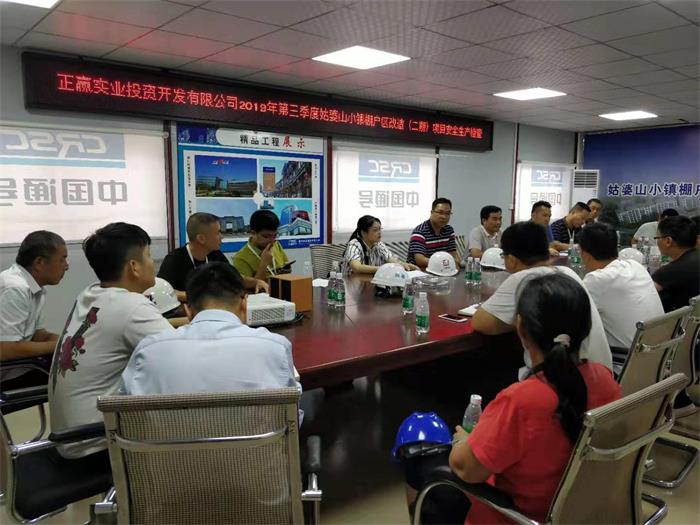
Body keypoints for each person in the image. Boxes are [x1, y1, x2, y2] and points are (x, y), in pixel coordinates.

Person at [449, 273, 621, 524]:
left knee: (423, 464)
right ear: (586, 328)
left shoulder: (521, 400)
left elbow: (466, 469)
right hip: (586, 513)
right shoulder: (605, 379)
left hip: (518, 517)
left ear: (520, 327)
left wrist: (463, 442)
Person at [49, 222, 174, 459]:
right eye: (148, 255)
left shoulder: (90, 294)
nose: (153, 263)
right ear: (134, 267)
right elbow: (183, 354)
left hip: (68, 438)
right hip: (97, 445)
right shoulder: (132, 306)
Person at [120, 262, 300, 396]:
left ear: (188, 311)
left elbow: (125, 415)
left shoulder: (148, 351)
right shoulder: (275, 348)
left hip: (171, 438)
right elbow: (292, 416)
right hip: (259, 438)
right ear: (244, 304)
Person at [472, 221, 612, 380]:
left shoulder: (524, 278)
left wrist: (522, 319)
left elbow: (480, 323)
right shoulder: (568, 273)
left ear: (511, 259)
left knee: (479, 378)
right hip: (600, 376)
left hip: (558, 383)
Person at [579, 223, 663, 354]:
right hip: (659, 355)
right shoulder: (636, 266)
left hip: (625, 360)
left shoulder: (596, 280)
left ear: (585, 254)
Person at [158, 212, 267, 301]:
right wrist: (196, 297)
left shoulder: (215, 254)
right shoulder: (175, 259)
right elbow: (162, 291)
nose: (222, 237)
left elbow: (234, 277)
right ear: (201, 239)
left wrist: (256, 282)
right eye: (218, 233)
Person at [1, 231, 68, 361]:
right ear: (39, 262)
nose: (66, 266)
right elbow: (5, 349)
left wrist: (67, 341)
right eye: (62, 259)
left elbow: (36, 335)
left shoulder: (36, 287)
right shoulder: (15, 289)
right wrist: (60, 346)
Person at [652, 216, 699, 312]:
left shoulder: (669, 271)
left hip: (682, 319)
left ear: (668, 241)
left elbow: (643, 293)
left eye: (657, 238)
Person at [344, 215, 417, 274]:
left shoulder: (379, 244)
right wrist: (382, 269)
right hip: (352, 283)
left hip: (370, 282)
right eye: (375, 230)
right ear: (363, 233)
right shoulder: (354, 245)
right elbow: (356, 267)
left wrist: (403, 265)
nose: (379, 232)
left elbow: (390, 259)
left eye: (380, 229)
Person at [233, 210, 290, 280]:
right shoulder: (240, 259)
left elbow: (286, 267)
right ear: (253, 233)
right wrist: (264, 264)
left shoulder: (276, 244)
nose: (272, 241)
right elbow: (248, 286)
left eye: (275, 235)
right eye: (266, 236)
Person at [407, 198, 458, 270]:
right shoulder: (420, 232)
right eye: (440, 212)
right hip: (420, 272)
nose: (444, 217)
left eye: (447, 213)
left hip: (442, 271)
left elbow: (452, 255)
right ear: (432, 212)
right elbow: (420, 260)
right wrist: (443, 263)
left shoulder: (449, 230)